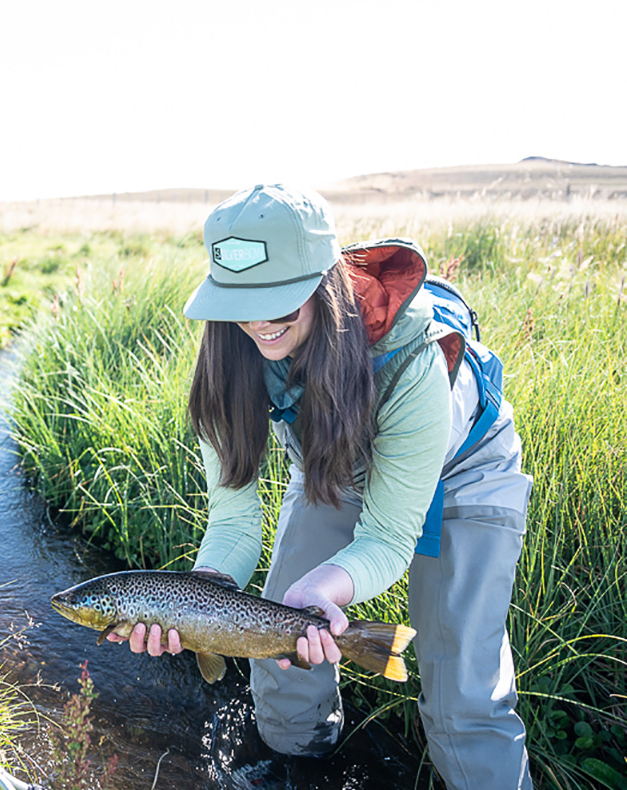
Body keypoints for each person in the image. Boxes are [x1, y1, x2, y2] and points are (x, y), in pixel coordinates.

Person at [111, 184, 532, 788]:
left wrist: (325, 586)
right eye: (240, 301)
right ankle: (299, 765)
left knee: (464, 705)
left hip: (464, 473)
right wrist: (199, 593)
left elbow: (388, 537)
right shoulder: (228, 361)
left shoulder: (413, 364)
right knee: (282, 670)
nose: (257, 320)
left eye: (279, 301)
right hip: (334, 465)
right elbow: (231, 523)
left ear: (323, 282)